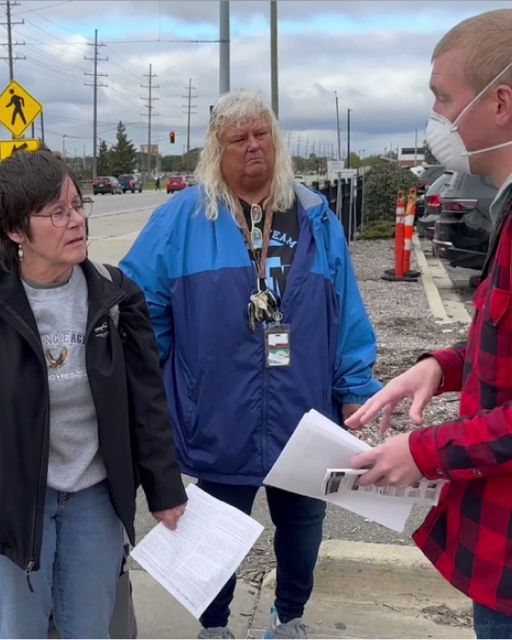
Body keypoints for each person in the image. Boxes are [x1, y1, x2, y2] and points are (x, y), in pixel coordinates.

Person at [120, 90, 380, 639]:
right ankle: (214, 627)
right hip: (219, 414)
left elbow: (345, 309)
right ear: (216, 150)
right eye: (238, 139)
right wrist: (162, 387)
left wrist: (355, 384)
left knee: (304, 528)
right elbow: (140, 314)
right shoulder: (182, 219)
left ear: (276, 141)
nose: (253, 146)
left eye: (262, 134)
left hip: (303, 412)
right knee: (214, 534)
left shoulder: (315, 215)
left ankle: (290, 619)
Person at [345, 9, 512, 639]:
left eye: (444, 99)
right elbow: (498, 341)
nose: (437, 119)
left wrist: (422, 451)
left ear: (500, 101)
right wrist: (436, 367)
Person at [0, 149, 187, 639]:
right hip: (18, 501)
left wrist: (166, 491)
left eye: (78, 206)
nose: (76, 221)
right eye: (57, 212)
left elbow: (147, 401)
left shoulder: (116, 296)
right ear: (16, 231)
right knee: (20, 629)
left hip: (94, 495)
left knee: (90, 627)